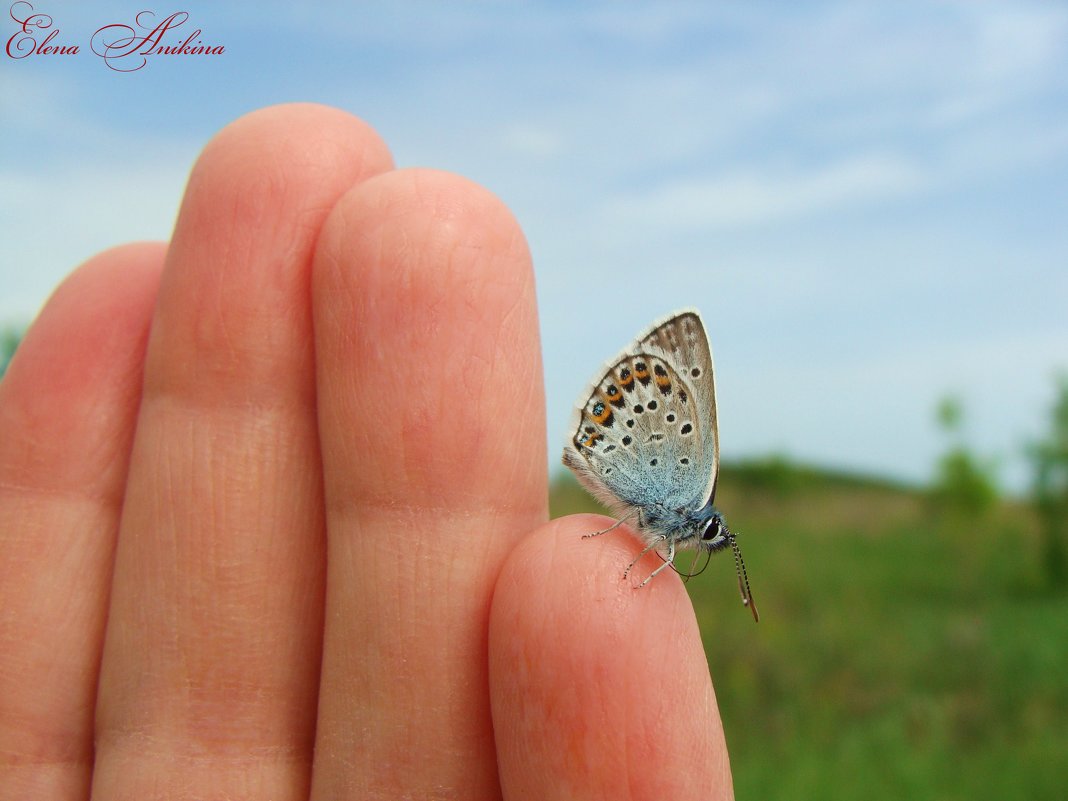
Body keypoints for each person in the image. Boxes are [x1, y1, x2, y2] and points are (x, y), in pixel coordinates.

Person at [0, 104, 735, 799]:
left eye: (703, 536)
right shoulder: (682, 494)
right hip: (633, 459)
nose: (704, 538)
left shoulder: (673, 520)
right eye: (707, 533)